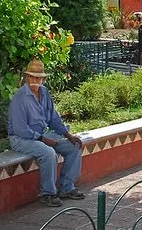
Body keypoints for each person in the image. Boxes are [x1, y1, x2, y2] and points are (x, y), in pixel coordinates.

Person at [8, 59, 85, 207]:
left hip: (42, 134)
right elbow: (20, 129)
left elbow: (53, 118)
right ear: (27, 78)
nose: (35, 80)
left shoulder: (44, 92)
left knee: (74, 146)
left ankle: (67, 187)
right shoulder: (20, 97)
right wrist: (43, 139)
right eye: (32, 77)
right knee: (49, 153)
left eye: (38, 78)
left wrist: (68, 135)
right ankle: (48, 193)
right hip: (21, 138)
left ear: (43, 79)